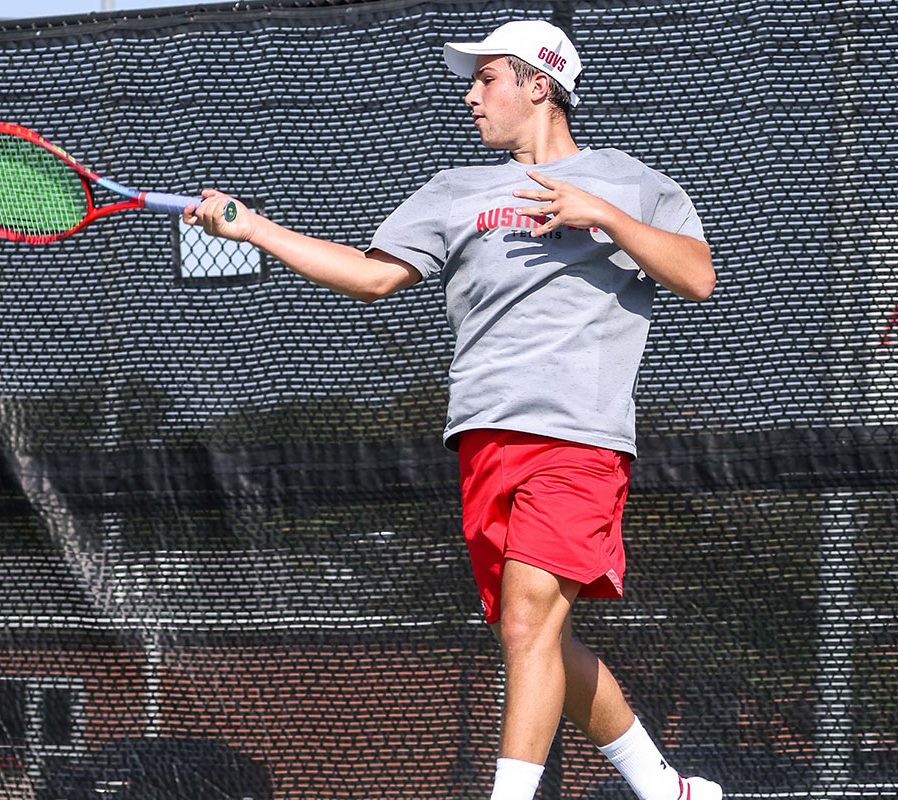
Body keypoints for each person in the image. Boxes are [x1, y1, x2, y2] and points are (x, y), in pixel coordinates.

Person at [185, 18, 721, 800]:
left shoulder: (630, 183)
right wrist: (254, 227)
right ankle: (663, 786)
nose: (471, 96)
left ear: (540, 84)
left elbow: (698, 276)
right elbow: (370, 278)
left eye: (488, 78)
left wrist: (601, 215)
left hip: (577, 437)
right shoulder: (453, 191)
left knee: (531, 622)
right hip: (481, 441)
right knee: (531, 634)